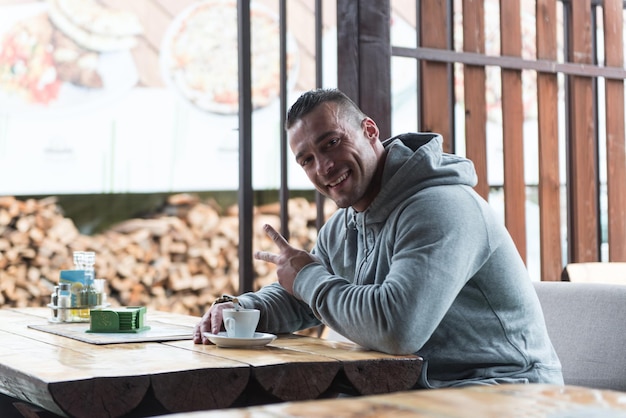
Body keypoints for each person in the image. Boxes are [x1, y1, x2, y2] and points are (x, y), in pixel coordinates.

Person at [193, 88, 564, 388]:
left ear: (370, 131)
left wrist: (306, 276)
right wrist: (238, 310)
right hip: (415, 391)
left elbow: (397, 329)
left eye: (331, 143)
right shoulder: (344, 225)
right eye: (306, 159)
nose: (323, 167)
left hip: (508, 390)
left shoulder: (441, 206)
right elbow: (301, 300)